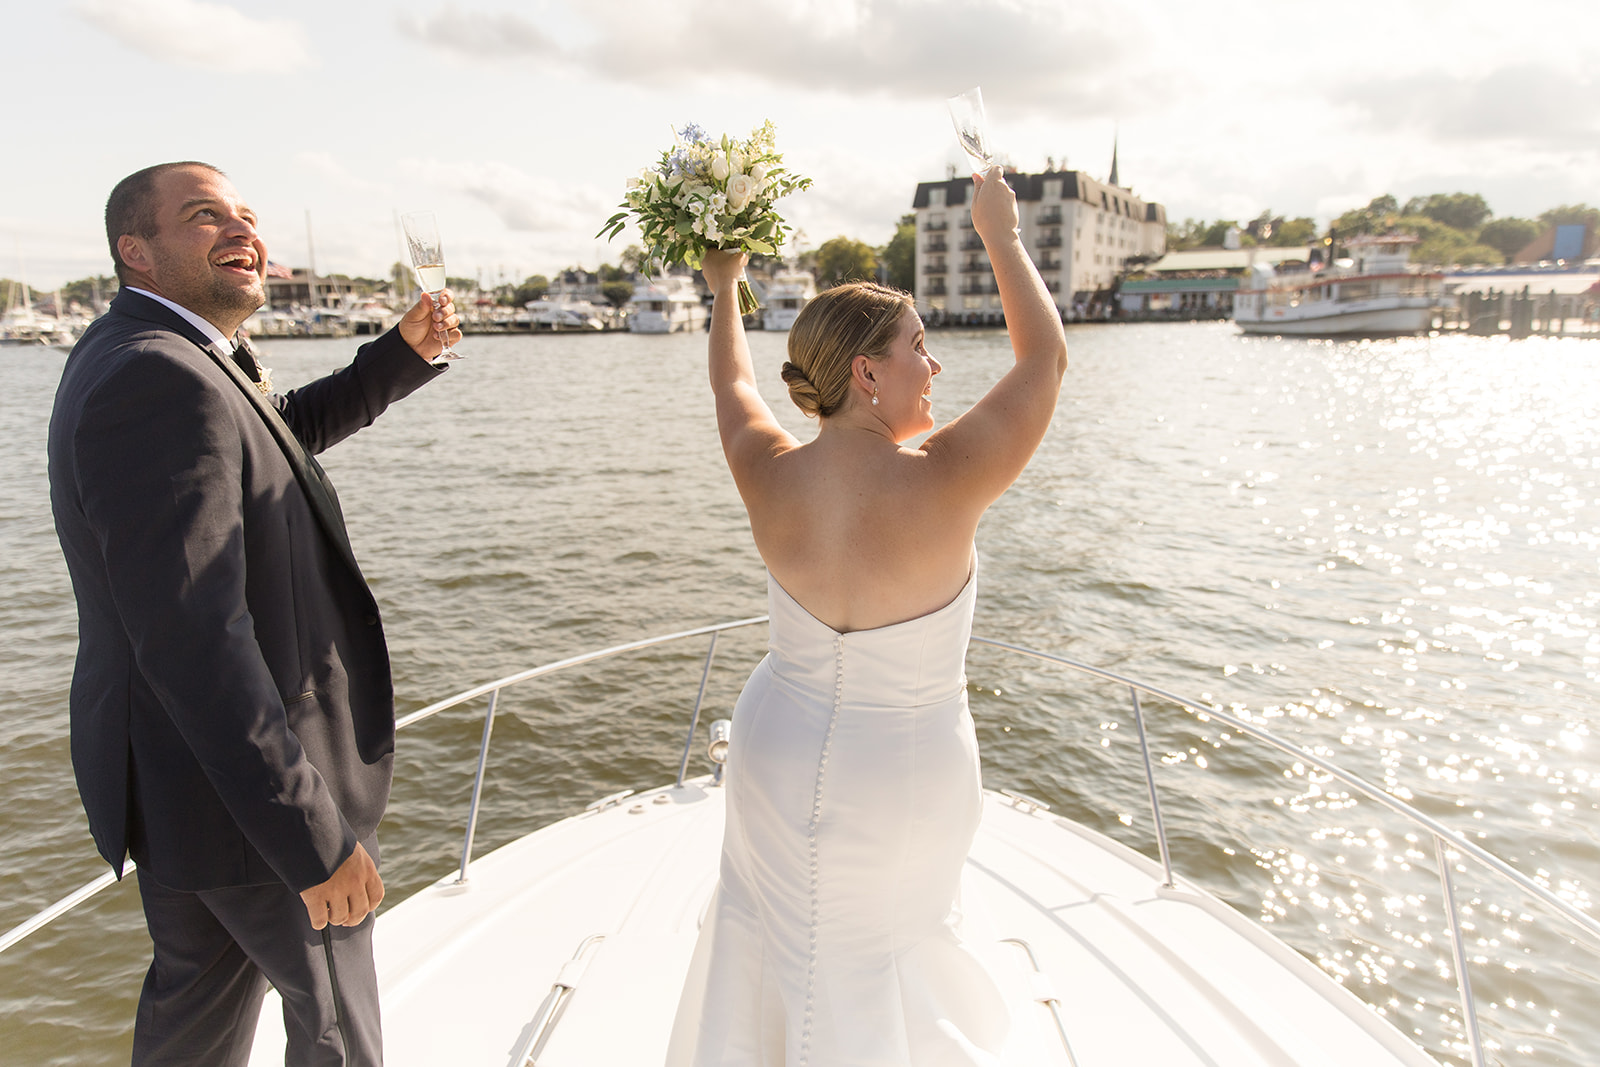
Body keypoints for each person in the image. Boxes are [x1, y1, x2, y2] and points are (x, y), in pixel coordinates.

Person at [47, 161, 461, 1066]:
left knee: (191, 1030)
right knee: (337, 1033)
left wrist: (400, 356)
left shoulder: (157, 355)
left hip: (184, 794)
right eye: (205, 217)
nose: (243, 231)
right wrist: (312, 837)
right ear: (137, 250)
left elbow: (273, 437)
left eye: (246, 215)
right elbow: (195, 637)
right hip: (253, 809)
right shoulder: (160, 375)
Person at [666, 165, 1067, 1065]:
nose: (933, 363)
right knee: (881, 962)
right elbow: (1044, 359)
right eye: (918, 345)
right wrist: (1000, 235)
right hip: (904, 773)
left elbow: (733, 383)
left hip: (771, 748)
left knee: (765, 937)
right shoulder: (951, 477)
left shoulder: (766, 469)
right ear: (865, 371)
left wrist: (725, 286)